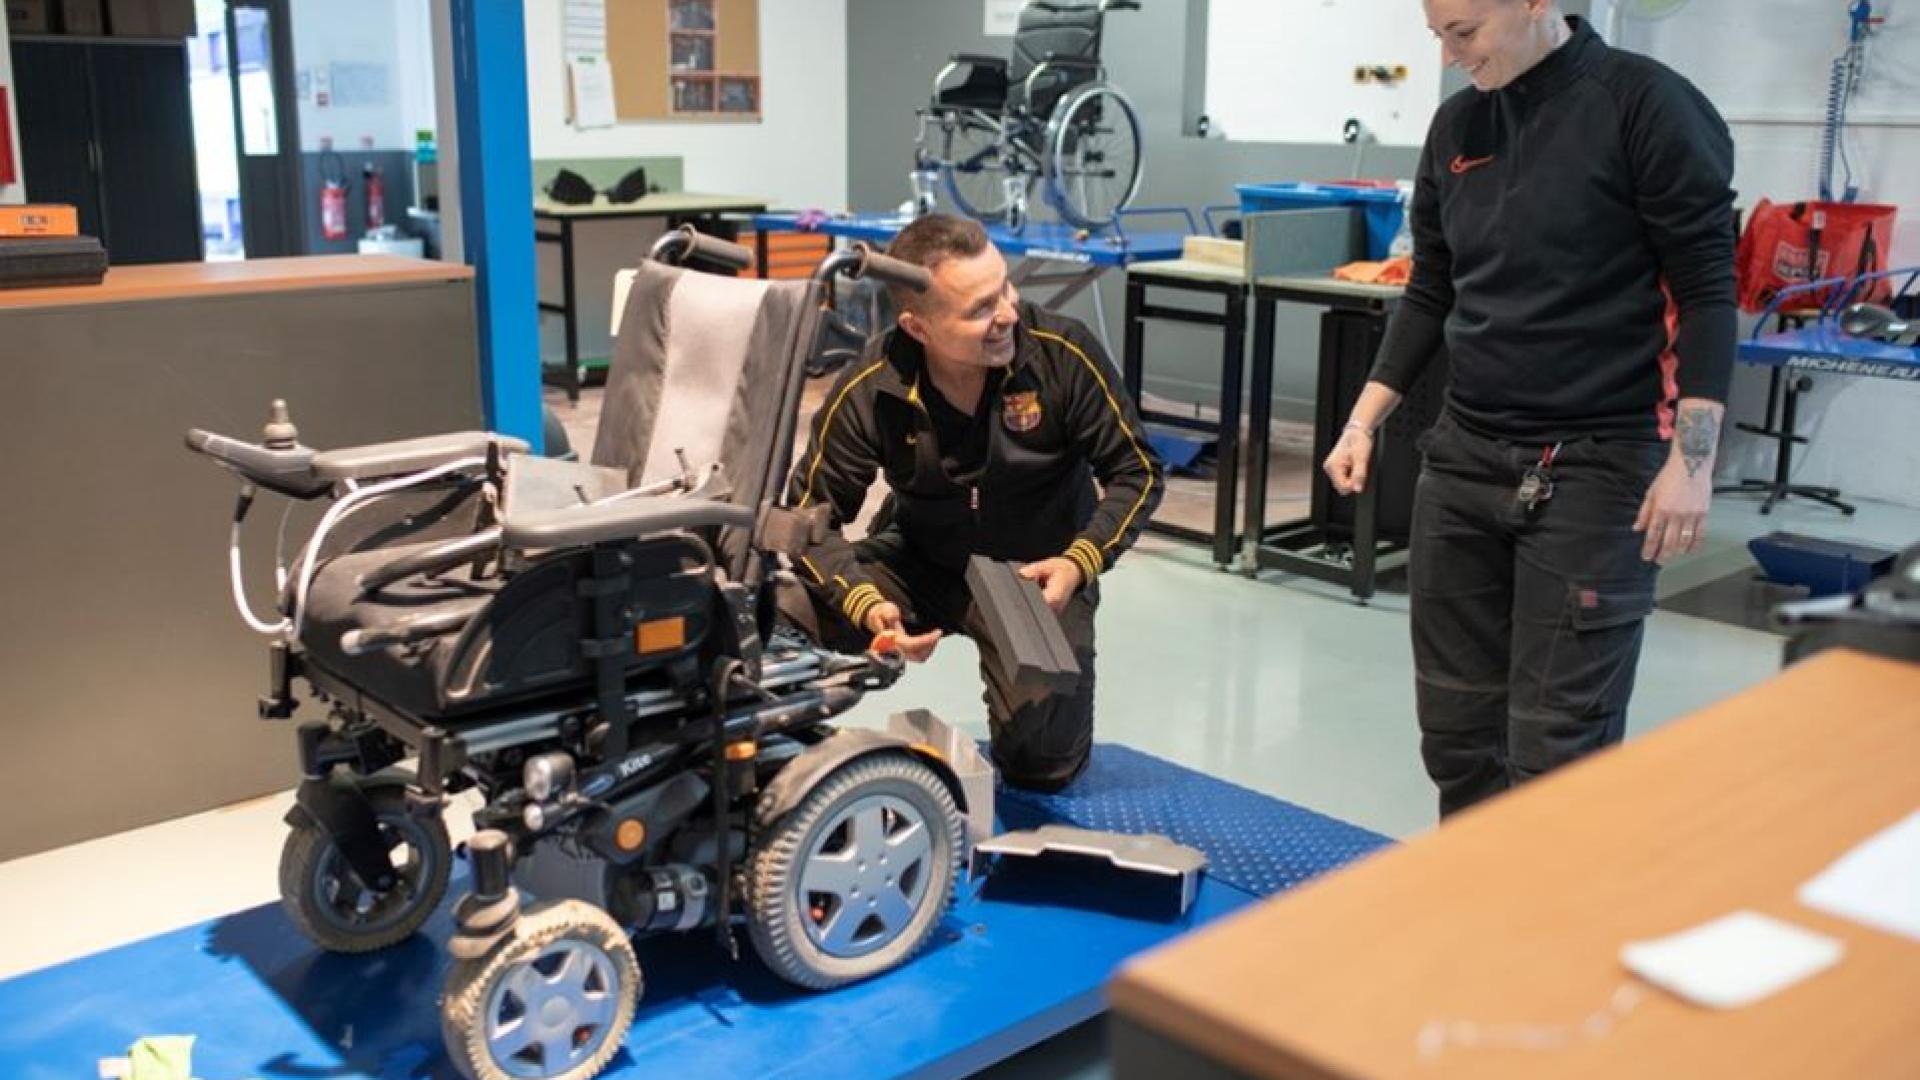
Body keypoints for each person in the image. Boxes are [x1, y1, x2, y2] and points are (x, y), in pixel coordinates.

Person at [1323, 0, 1735, 817]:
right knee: (1456, 734)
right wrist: (1361, 420)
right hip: (1466, 457)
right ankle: (1474, 918)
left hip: (1598, 465)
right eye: (1436, 36)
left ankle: (1547, 928)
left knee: (1556, 748)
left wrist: (1693, 463)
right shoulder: (1457, 129)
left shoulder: (1649, 106)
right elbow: (1432, 289)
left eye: (1463, 33)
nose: (1449, 57)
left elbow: (1708, 291)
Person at [786, 213, 1163, 792]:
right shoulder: (872, 385)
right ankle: (784, 763)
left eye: (1005, 288)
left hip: (1037, 577)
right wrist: (864, 604)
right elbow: (809, 517)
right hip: (920, 562)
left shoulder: (1063, 354)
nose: (1007, 312)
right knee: (778, 614)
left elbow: (1136, 472)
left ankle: (1037, 730)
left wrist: (1079, 560)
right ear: (918, 327)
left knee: (1044, 763)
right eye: (980, 308)